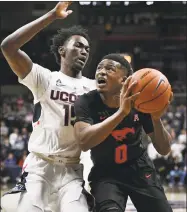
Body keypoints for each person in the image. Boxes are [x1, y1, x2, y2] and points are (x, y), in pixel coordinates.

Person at [1, 2, 95, 212]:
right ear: (62, 50)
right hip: (39, 168)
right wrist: (51, 16)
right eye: (78, 45)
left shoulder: (94, 88)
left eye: (87, 49)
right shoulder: (45, 78)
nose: (84, 51)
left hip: (73, 170)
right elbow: (8, 47)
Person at [74, 53, 173, 212]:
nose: (101, 71)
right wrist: (121, 113)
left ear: (125, 80)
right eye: (99, 68)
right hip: (106, 172)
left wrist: (156, 118)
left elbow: (164, 149)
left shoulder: (140, 102)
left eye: (109, 69)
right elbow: (84, 142)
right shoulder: (85, 102)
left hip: (139, 169)